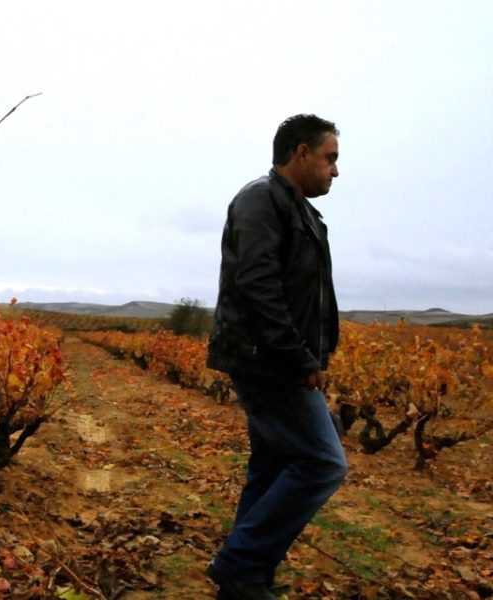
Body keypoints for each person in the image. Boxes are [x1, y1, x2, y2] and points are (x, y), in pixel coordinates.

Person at [205, 114, 348, 600]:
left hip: (281, 357)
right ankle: (241, 564)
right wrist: (299, 357)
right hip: (267, 360)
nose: (335, 170)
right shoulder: (259, 200)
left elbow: (307, 295)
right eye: (330, 158)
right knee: (323, 463)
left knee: (269, 470)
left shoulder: (302, 212)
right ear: (301, 152)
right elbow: (258, 285)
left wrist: (320, 350)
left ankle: (245, 582)